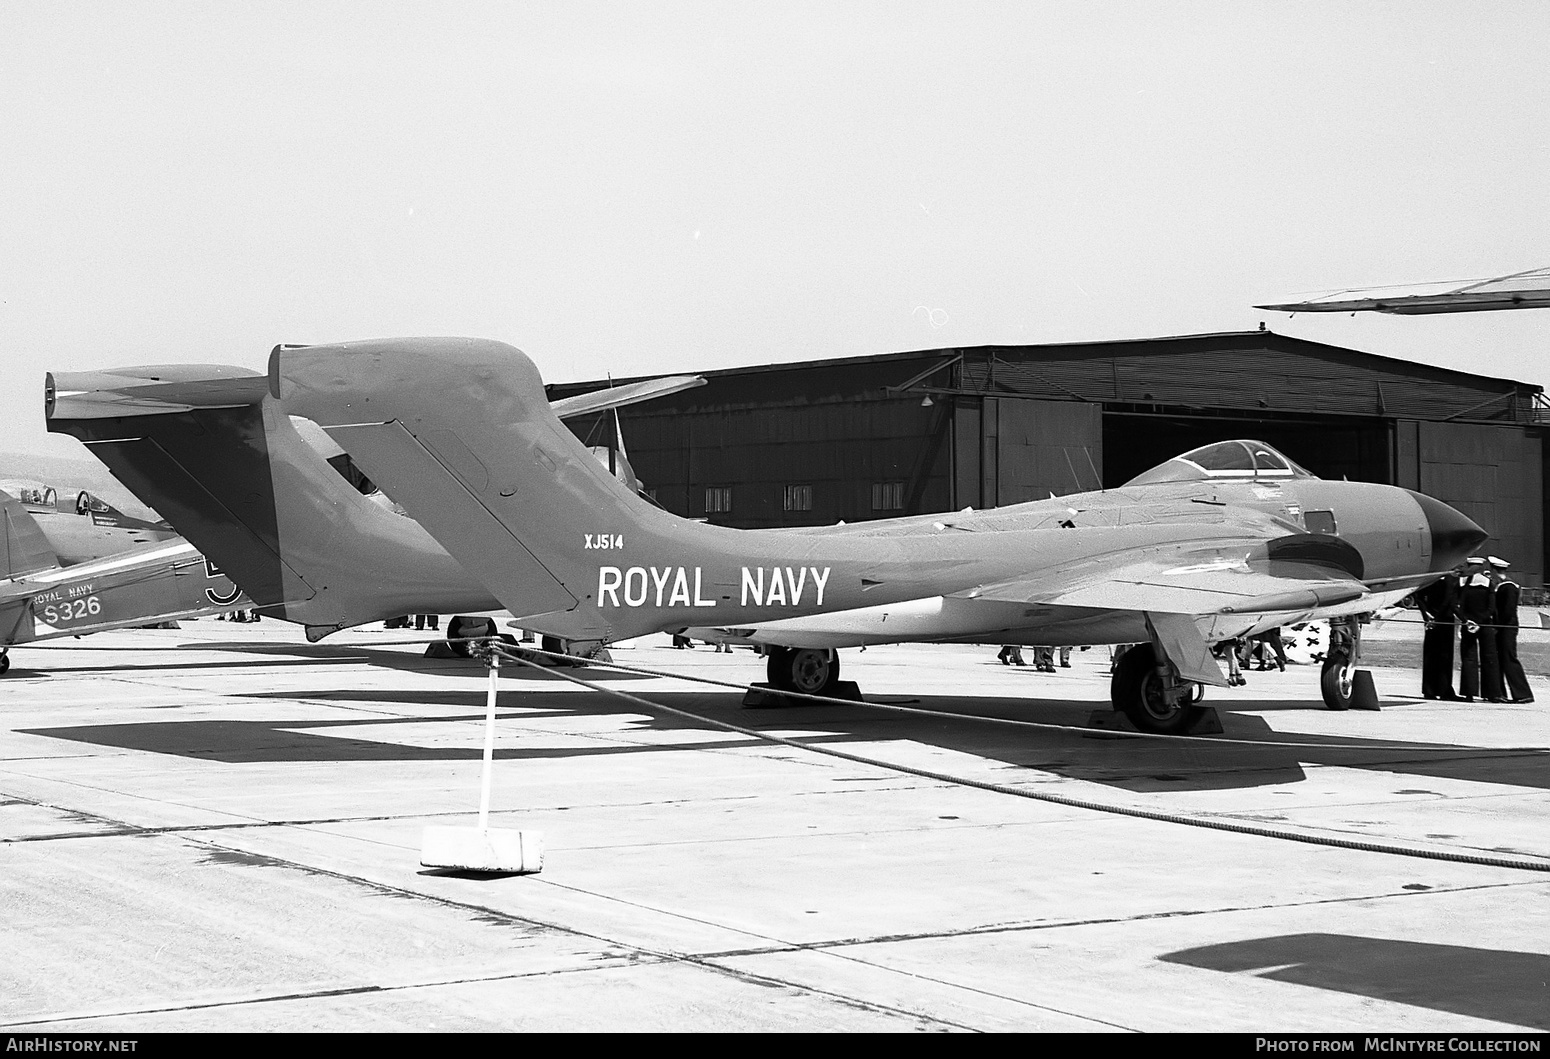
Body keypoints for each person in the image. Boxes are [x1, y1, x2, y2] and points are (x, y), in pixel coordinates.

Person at [1457, 557, 1503, 702]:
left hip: (1468, 624)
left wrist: (1467, 620)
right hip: (1484, 624)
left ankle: (1469, 693)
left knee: (1469, 657)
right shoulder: (1488, 582)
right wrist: (1480, 621)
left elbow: (1458, 605)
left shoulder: (1462, 582)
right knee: (1489, 657)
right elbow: (1491, 608)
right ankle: (1492, 693)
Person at [1491, 557, 1534, 704]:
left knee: (1509, 658)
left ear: (1494, 569)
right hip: (1505, 627)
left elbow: (1507, 611)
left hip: (1506, 628)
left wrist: (1498, 626)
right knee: (1502, 659)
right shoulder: (1504, 585)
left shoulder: (1508, 586)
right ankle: (1501, 693)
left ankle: (1522, 693)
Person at [1414, 570, 1461, 701]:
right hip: (1444, 620)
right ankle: (1444, 689)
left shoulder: (1429, 579)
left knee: (1430, 656)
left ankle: (1429, 690)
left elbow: (1419, 597)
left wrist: (1427, 615)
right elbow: (1448, 601)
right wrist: (1437, 618)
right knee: (1445, 657)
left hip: (1431, 620)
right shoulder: (1451, 580)